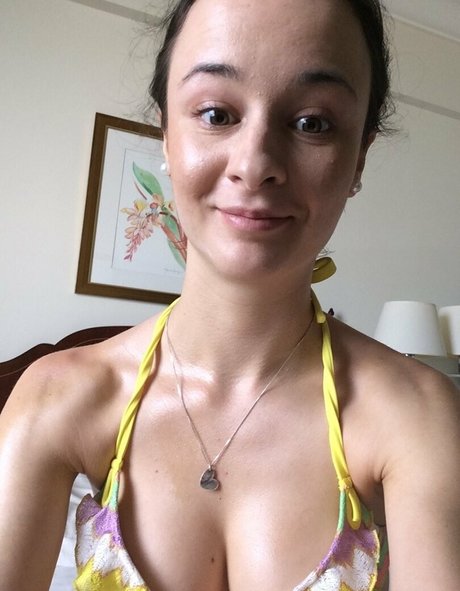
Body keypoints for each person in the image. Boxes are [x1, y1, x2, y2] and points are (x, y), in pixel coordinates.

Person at [1, 0, 459, 589]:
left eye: (313, 123)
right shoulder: (54, 397)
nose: (255, 163)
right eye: (216, 114)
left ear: (359, 158)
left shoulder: (417, 415)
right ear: (166, 136)